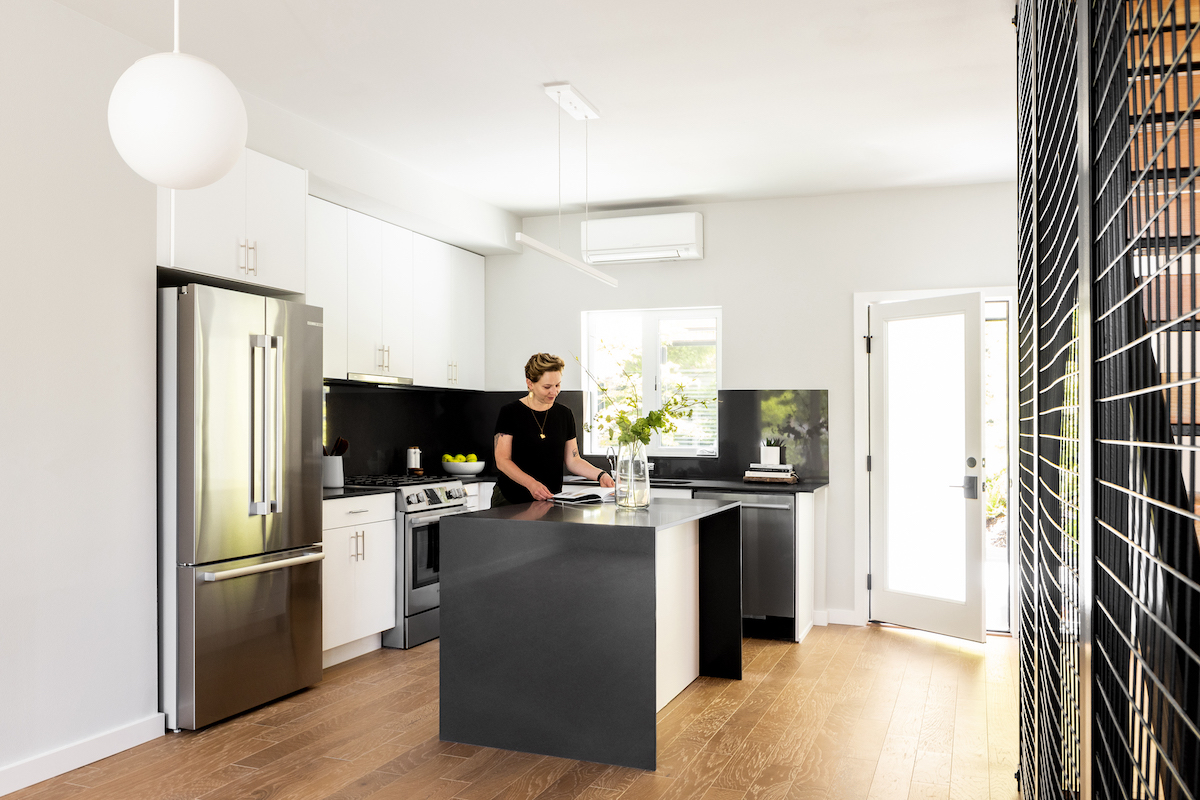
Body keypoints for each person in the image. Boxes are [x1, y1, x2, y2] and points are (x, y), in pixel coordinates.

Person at [492, 353, 616, 506]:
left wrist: (600, 475)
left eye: (557, 385)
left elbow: (573, 460)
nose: (554, 392)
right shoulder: (510, 413)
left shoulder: (564, 414)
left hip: (549, 500)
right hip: (510, 499)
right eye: (547, 387)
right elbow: (502, 460)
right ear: (530, 384)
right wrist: (531, 484)